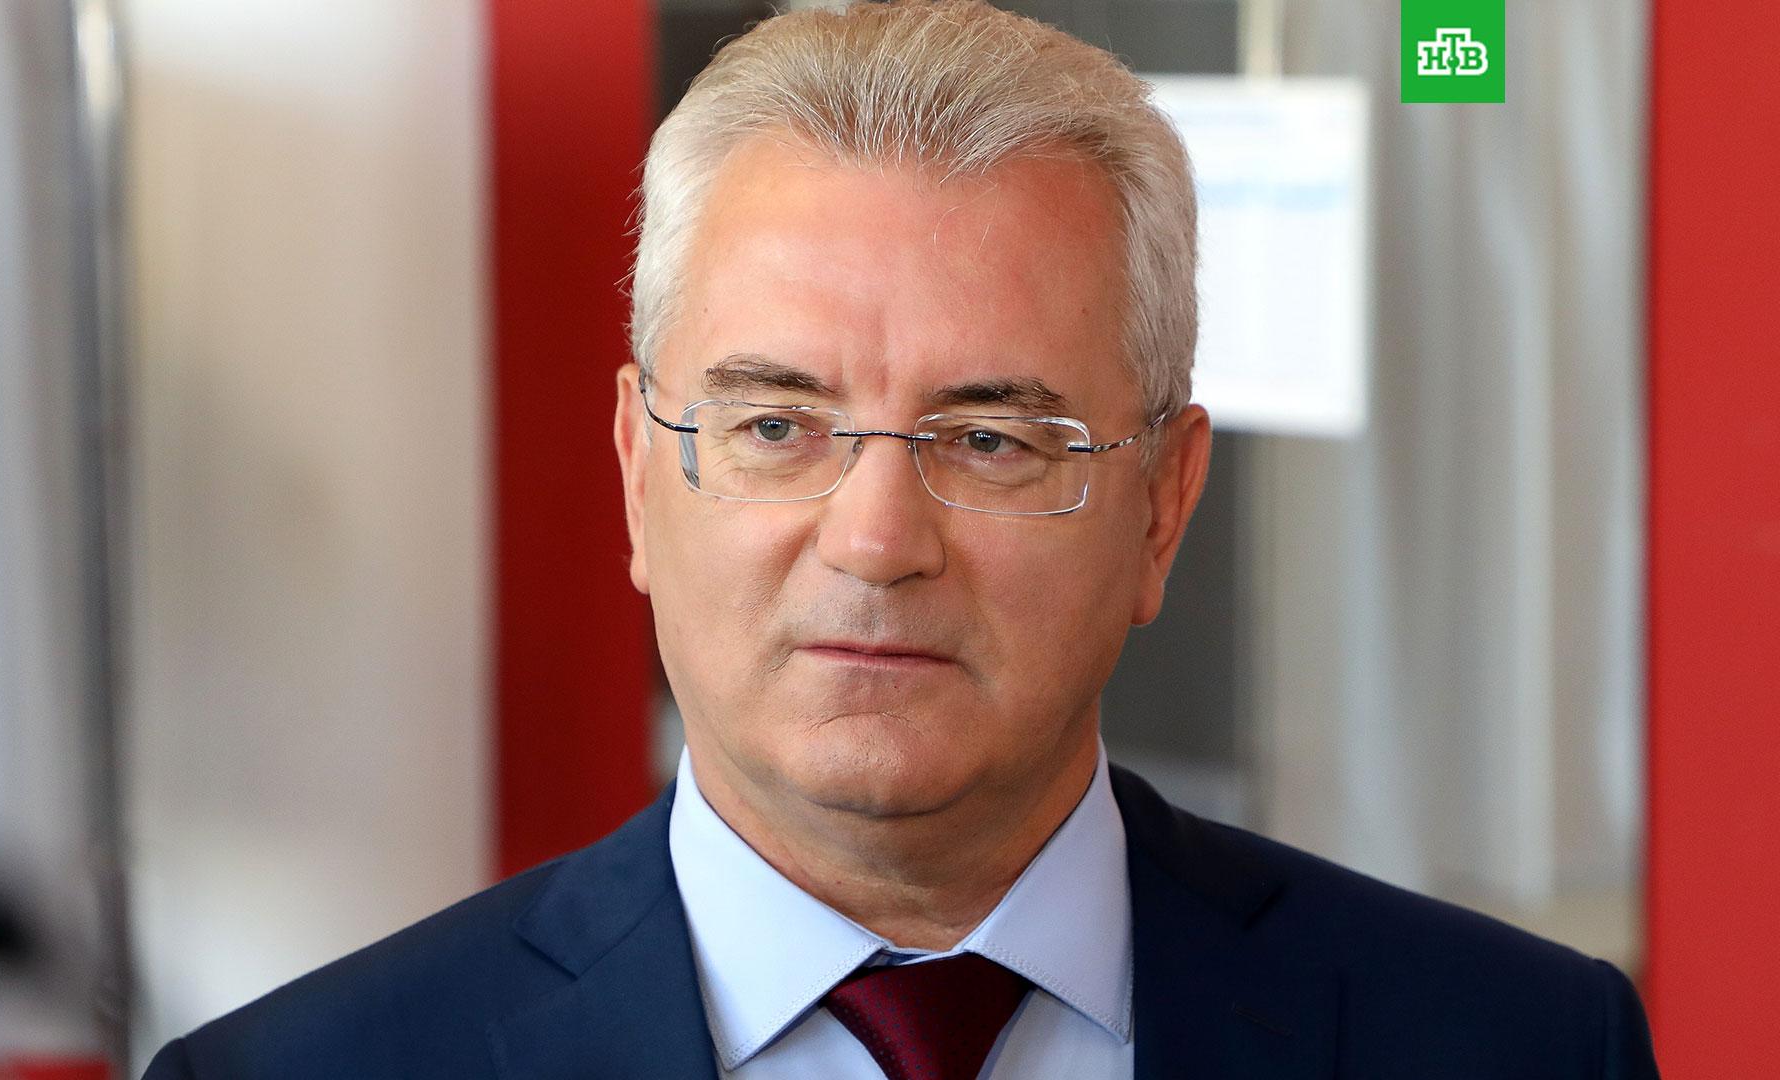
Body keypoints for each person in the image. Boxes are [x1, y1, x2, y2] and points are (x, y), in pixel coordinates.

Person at [143, 2, 1659, 1077]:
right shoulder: (297, 1073)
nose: (875, 542)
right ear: (639, 476)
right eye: (776, 425)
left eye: (991, 440)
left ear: (1163, 505)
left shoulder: (1523, 1046)